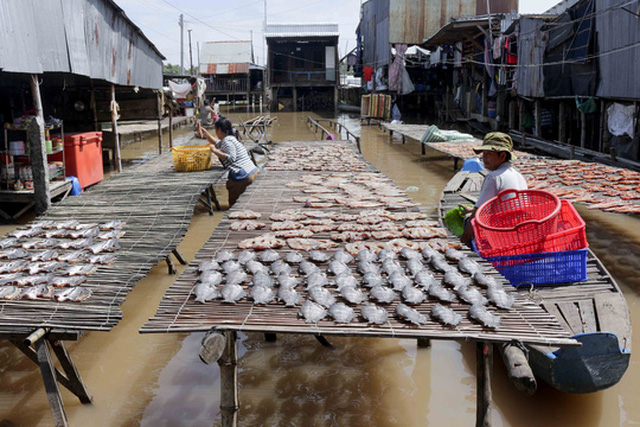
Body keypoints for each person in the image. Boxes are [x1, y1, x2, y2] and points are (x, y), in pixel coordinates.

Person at [460, 132, 527, 246]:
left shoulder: (494, 177)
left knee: (467, 219)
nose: (484, 158)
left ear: (502, 156)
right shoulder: (518, 175)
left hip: (502, 234)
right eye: (483, 154)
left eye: (488, 154)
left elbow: (476, 216)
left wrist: (463, 242)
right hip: (519, 229)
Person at [197, 118, 258, 207]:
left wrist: (214, 150)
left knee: (234, 205)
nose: (215, 132)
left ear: (219, 130)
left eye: (215, 130)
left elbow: (231, 158)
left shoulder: (227, 141)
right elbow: (217, 142)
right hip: (251, 171)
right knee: (245, 204)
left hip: (243, 175)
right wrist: (205, 133)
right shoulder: (230, 138)